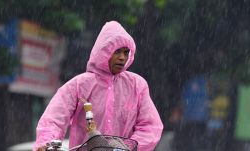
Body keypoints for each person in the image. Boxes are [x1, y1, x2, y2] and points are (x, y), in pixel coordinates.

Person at [34, 20, 163, 151]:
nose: (122, 58)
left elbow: (150, 126)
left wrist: (129, 148)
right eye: (117, 51)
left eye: (126, 52)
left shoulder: (137, 85)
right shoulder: (79, 85)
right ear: (104, 51)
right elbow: (53, 119)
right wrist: (46, 144)